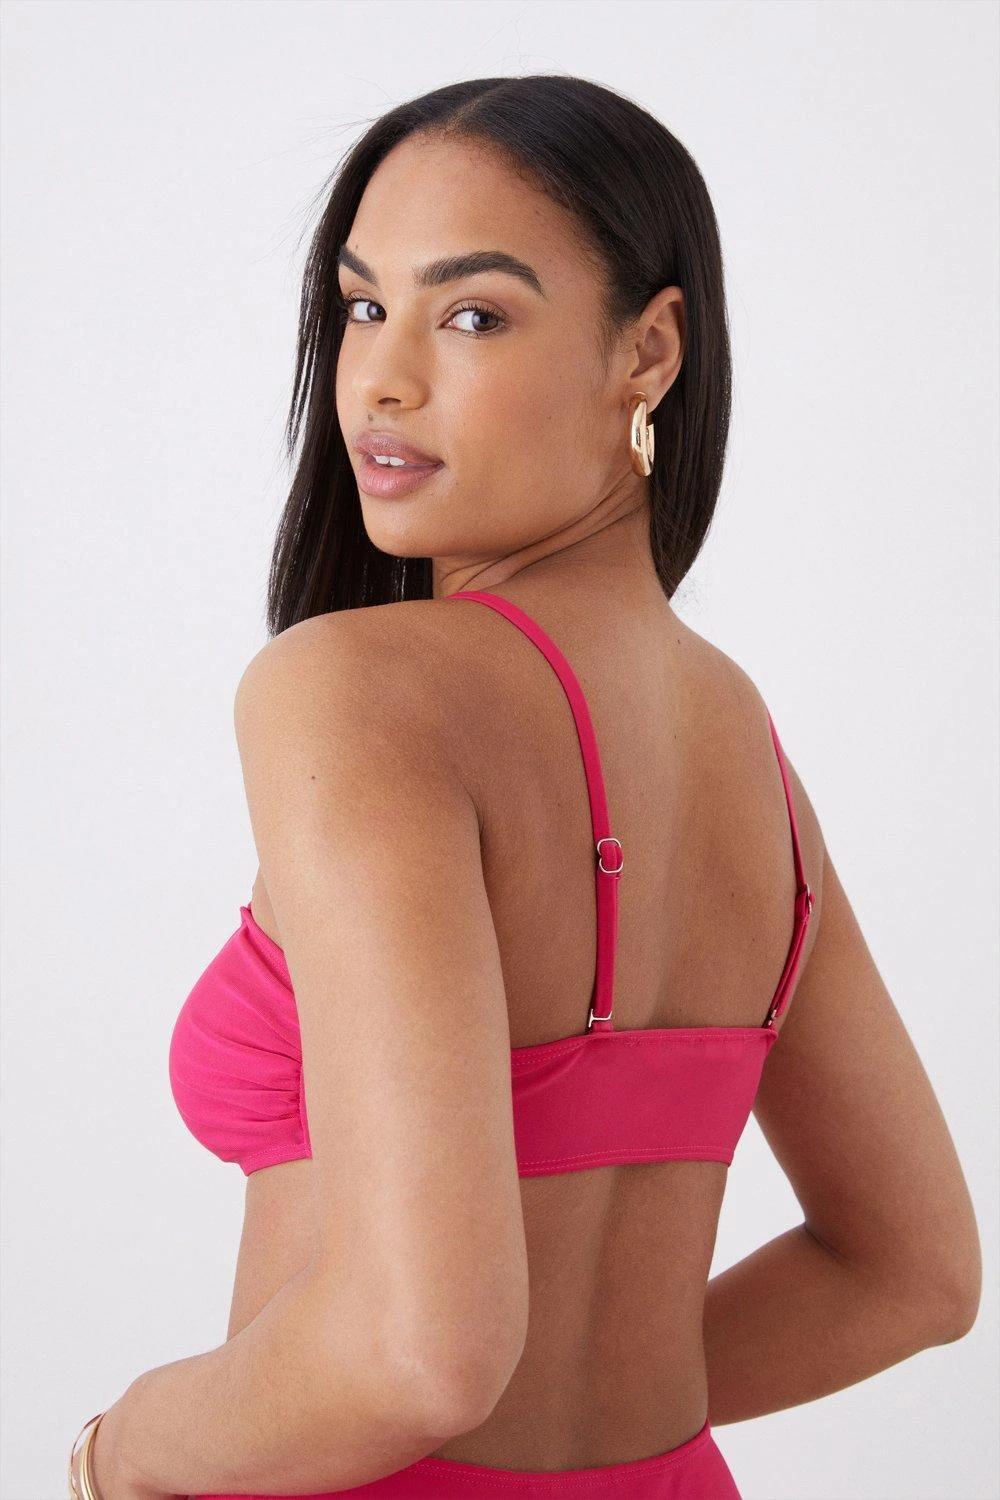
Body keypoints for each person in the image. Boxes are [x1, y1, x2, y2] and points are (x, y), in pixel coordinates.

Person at [70, 74, 981, 1500]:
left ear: (649, 351)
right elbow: (910, 1273)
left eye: (474, 315)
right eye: (363, 305)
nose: (381, 377)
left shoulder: (356, 689)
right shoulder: (743, 743)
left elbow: (419, 1359)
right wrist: (603, 1403)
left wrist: (119, 1452)